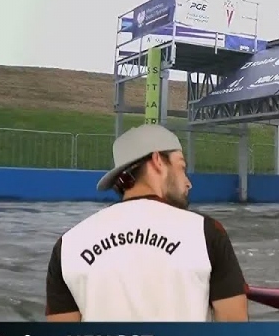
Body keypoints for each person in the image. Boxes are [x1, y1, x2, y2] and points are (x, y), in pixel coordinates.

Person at [44, 124, 249, 321]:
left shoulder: (68, 245)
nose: (188, 182)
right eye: (181, 167)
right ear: (157, 160)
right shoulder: (205, 233)